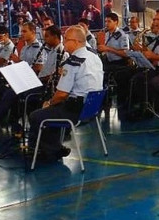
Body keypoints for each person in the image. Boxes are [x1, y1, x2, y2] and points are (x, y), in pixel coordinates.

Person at [27, 25, 103, 162]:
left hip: (75, 110)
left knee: (36, 115)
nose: (64, 41)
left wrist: (49, 103)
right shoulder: (94, 57)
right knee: (53, 110)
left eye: (66, 39)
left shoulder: (73, 62)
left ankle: (41, 152)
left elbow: (62, 94)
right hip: (91, 108)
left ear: (76, 42)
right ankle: (55, 146)